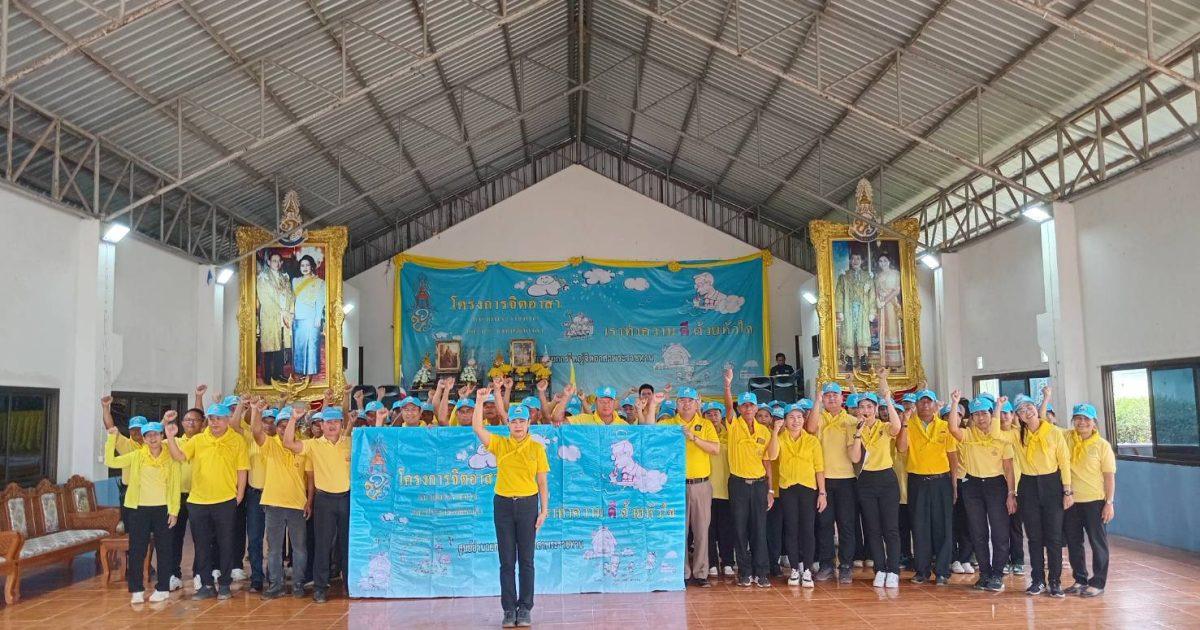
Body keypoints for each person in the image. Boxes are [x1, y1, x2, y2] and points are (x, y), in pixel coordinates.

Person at [469, 388, 549, 628]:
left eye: (522, 421)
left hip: (527, 505)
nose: (518, 425)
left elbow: (542, 482)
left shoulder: (537, 448)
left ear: (528, 423)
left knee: (526, 560)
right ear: (508, 424)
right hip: (503, 504)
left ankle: (525, 608)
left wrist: (544, 510)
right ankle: (508, 609)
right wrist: (480, 401)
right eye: (514, 421)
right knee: (506, 561)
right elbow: (477, 428)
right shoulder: (500, 444)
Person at [165, 402, 249, 601]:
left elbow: (242, 469)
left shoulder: (237, 440)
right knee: (201, 545)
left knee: (225, 543)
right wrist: (170, 437)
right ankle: (206, 585)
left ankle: (225, 584)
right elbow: (179, 456)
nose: (215, 422)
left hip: (225, 500)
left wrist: (239, 495)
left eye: (219, 418)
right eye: (211, 419)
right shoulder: (198, 439)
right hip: (198, 501)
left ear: (227, 420)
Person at [946, 392, 1017, 593]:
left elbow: (1009, 469)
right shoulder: (968, 435)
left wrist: (1011, 493)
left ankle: (997, 574)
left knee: (1000, 532)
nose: (980, 418)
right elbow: (953, 428)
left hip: (996, 486)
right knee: (978, 532)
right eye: (976, 414)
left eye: (984, 413)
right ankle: (985, 574)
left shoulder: (1001, 438)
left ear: (991, 415)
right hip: (973, 486)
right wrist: (954, 403)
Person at [105, 415, 180, 604]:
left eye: (156, 434)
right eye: (148, 435)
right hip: (139, 510)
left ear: (162, 436)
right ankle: (136, 589)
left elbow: (175, 486)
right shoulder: (137, 456)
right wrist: (111, 438)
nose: (152, 438)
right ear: (144, 439)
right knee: (137, 550)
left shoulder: (171, 457)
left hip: (163, 509)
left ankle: (163, 588)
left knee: (164, 549)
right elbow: (111, 461)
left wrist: (174, 511)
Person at [282, 405, 353, 603]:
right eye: (328, 422)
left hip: (347, 499)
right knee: (322, 545)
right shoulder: (313, 445)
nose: (332, 425)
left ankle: (350, 585)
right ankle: (320, 588)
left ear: (342, 424)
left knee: (347, 544)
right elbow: (288, 443)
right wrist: (293, 419)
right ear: (321, 425)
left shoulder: (350, 442)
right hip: (324, 501)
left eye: (336, 422)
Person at [1008, 388, 1072, 597]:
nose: (1027, 412)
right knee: (1034, 536)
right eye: (1021, 410)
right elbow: (996, 434)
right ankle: (1037, 580)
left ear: (1036, 408)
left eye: (1029, 407)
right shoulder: (1017, 435)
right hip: (1028, 486)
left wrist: (1067, 491)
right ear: (1018, 416)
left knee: (1054, 536)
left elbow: (1064, 461)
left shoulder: (1053, 432)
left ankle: (1055, 581)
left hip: (1052, 484)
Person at [655, 387, 720, 587]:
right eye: (682, 400)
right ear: (676, 404)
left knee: (701, 531)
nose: (686, 404)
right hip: (675, 486)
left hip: (701, 484)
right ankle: (681, 572)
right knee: (678, 531)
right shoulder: (668, 424)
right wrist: (654, 403)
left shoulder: (706, 424)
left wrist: (694, 438)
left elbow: (715, 449)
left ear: (697, 403)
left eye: (690, 400)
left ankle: (701, 573)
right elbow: (649, 429)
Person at [722, 367, 780, 588]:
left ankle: (761, 572)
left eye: (751, 405)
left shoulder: (765, 432)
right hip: (738, 484)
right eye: (744, 405)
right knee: (740, 529)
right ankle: (744, 572)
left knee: (759, 529)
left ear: (756, 408)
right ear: (740, 408)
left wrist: (770, 490)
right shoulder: (734, 425)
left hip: (759, 486)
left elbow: (768, 462)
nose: (747, 408)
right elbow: (728, 407)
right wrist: (728, 386)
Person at [848, 375, 905, 589]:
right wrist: (858, 434)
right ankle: (879, 569)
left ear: (875, 409)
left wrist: (888, 400)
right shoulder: (855, 429)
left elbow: (897, 428)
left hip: (886, 479)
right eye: (862, 407)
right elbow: (855, 458)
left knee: (890, 528)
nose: (865, 410)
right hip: (866, 480)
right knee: (872, 528)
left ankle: (893, 570)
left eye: (869, 406)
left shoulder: (884, 426)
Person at [251, 404, 311, 599]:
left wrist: (309, 501)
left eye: (288, 425)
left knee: (299, 548)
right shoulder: (270, 443)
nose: (284, 429)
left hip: (297, 504)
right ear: (276, 428)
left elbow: (310, 477)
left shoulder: (303, 446)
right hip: (273, 504)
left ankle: (298, 585)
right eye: (281, 426)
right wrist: (256, 411)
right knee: (274, 549)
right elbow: (256, 432)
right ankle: (276, 585)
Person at [803, 382, 858, 584]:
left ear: (842, 398)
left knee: (846, 524)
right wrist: (817, 402)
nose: (832, 398)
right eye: (827, 395)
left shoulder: (852, 421)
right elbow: (810, 428)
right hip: (823, 480)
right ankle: (827, 564)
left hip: (847, 480)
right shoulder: (819, 418)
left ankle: (846, 566)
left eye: (835, 395)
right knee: (824, 524)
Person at [905, 389, 959, 585]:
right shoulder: (908, 425)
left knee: (943, 526)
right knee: (920, 526)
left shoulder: (945, 427)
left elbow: (952, 457)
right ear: (916, 405)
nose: (925, 405)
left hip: (941, 481)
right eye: (922, 402)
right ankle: (922, 570)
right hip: (917, 481)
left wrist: (954, 485)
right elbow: (901, 448)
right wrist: (904, 423)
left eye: (929, 402)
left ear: (936, 405)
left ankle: (942, 571)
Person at [1063, 403, 1115, 598]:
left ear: (1094, 423)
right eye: (1078, 418)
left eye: (1086, 419)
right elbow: (1045, 422)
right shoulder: (1067, 438)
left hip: (1095, 502)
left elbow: (1109, 477)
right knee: (1074, 542)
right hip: (1071, 501)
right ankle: (1080, 579)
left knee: (1097, 543)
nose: (1082, 422)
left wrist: (1109, 503)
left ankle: (1098, 582)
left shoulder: (1102, 446)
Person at [776, 401, 826, 588]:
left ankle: (807, 569)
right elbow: (771, 456)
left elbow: (819, 468)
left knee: (807, 529)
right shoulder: (780, 439)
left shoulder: (812, 441)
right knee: (791, 529)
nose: (795, 421)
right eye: (791, 417)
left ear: (804, 420)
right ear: (785, 420)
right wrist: (775, 433)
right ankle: (795, 568)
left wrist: (822, 493)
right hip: (788, 489)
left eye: (799, 417)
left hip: (808, 489)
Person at [704, 402, 736, 579]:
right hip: (706, 490)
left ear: (721, 415)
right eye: (708, 414)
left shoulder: (730, 434)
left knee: (726, 529)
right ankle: (712, 563)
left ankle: (728, 562)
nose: (713, 417)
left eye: (715, 413)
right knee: (708, 530)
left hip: (726, 489)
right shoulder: (701, 436)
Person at [257, 251, 294, 382]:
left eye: (279, 261)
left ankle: (278, 373)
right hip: (270, 315)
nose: (277, 263)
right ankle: (268, 376)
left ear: (281, 263)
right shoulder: (263, 277)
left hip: (284, 316)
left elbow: (291, 296)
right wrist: (279, 311)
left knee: (281, 346)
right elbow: (264, 297)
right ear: (268, 262)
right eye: (274, 261)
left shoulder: (285, 277)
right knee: (270, 346)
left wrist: (289, 311)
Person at [998, 399, 1026, 576]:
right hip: (998, 483)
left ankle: (1018, 559)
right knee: (1001, 524)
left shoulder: (1020, 434)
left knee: (1015, 524)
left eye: (1006, 413)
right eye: (1000, 413)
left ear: (1013, 415)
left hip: (1018, 483)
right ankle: (1004, 560)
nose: (1003, 417)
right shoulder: (994, 433)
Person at [835, 251, 876, 371]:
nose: (855, 261)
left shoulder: (867, 276)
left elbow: (872, 295)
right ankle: (849, 360)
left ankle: (863, 359)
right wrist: (840, 310)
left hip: (863, 309)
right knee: (849, 333)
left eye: (858, 258)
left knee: (862, 333)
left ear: (861, 261)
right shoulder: (844, 276)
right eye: (853, 258)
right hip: (848, 308)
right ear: (850, 261)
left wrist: (872, 311)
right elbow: (839, 294)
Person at [291, 254, 326, 376]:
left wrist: (318, 318)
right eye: (302, 265)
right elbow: (292, 299)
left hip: (312, 318)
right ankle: (300, 371)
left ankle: (310, 372)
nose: (305, 268)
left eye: (307, 265)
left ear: (312, 267)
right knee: (299, 345)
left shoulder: (320, 282)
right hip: (298, 318)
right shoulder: (295, 281)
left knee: (311, 345)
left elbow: (320, 301)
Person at [873, 254, 903, 369]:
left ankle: (894, 362)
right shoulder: (878, 276)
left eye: (885, 260)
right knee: (883, 330)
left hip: (891, 304)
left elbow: (896, 291)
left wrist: (885, 301)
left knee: (892, 329)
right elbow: (876, 290)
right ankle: (884, 361)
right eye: (880, 261)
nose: (883, 263)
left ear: (889, 261)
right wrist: (878, 300)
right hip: (881, 306)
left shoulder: (895, 273)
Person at [556, 385, 630, 425]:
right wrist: (566, 396)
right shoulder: (583, 420)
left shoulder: (624, 425)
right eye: (602, 401)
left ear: (614, 403)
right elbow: (558, 421)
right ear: (596, 402)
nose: (606, 404)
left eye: (609, 401)